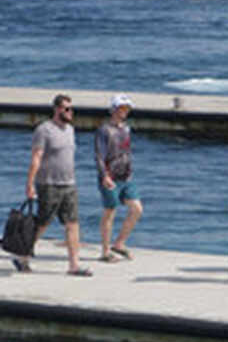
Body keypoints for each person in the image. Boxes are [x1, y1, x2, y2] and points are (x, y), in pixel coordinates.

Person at [13, 94, 89, 276]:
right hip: (49, 184)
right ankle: (22, 256)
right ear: (57, 109)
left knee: (72, 223)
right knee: (43, 223)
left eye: (71, 109)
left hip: (69, 183)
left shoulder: (70, 129)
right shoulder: (44, 130)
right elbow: (36, 158)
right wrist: (30, 184)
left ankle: (74, 265)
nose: (70, 112)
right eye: (66, 109)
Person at [94, 94, 143, 263]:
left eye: (127, 108)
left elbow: (126, 151)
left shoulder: (126, 128)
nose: (125, 111)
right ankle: (105, 251)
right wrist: (104, 175)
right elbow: (99, 155)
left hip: (126, 176)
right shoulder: (104, 130)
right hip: (110, 177)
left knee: (136, 209)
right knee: (110, 211)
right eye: (122, 108)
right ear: (114, 109)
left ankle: (119, 243)